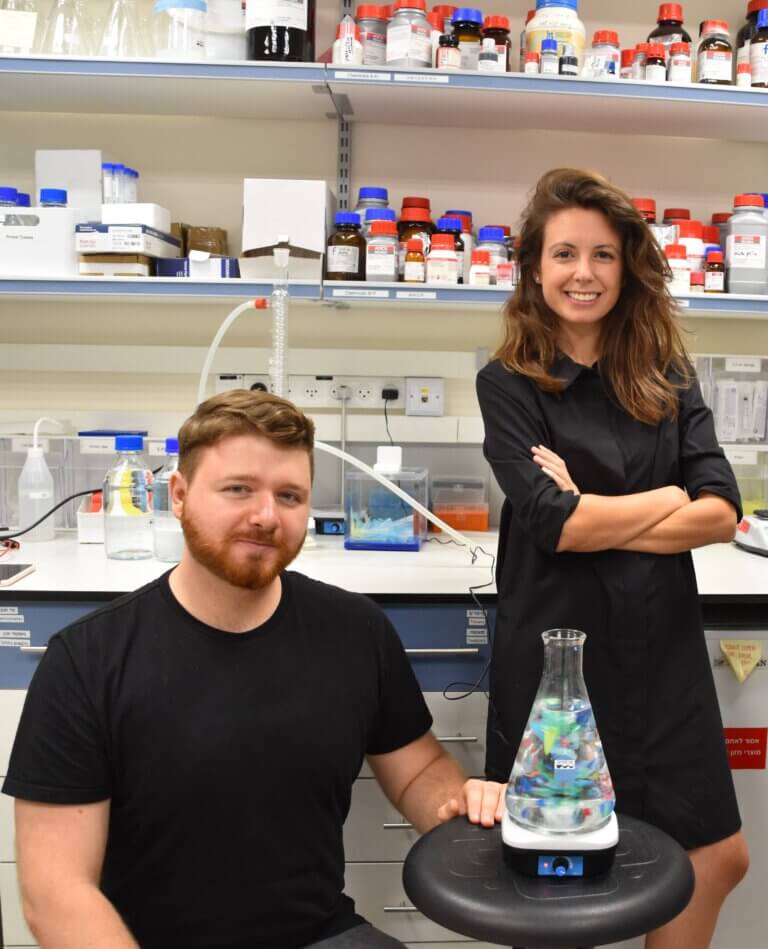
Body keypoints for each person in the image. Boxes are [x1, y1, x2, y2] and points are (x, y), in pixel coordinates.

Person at [3, 390, 505, 949]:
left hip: (319, 935)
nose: (266, 516)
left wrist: (460, 805)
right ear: (180, 496)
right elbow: (55, 894)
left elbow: (417, 772)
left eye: (289, 495)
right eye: (238, 489)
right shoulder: (88, 661)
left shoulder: (356, 632)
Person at [476, 168, 748, 948]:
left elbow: (721, 513)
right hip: (559, 657)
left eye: (602, 254)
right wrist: (666, 500)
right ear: (534, 267)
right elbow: (554, 526)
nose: (583, 273)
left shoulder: (668, 376)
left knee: (717, 855)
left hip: (661, 651)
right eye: (564, 254)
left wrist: (597, 511)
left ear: (627, 267)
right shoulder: (510, 384)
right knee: (557, 873)